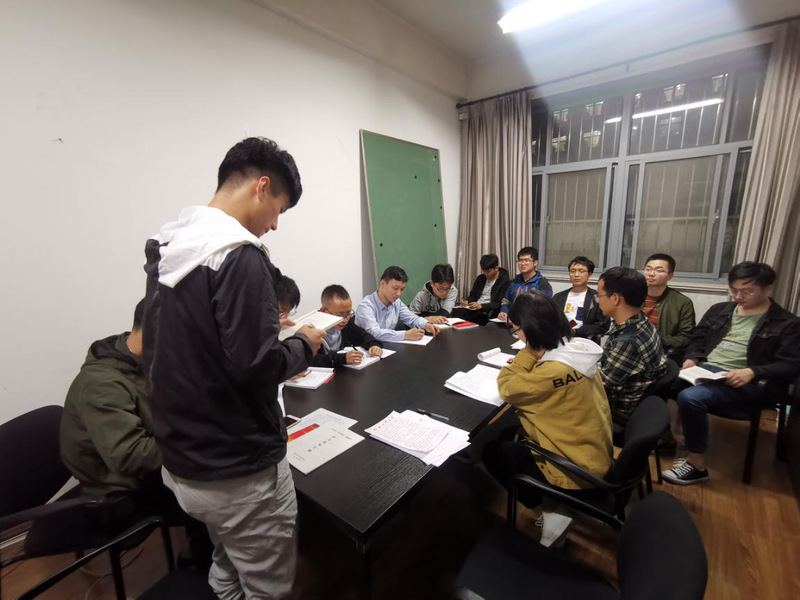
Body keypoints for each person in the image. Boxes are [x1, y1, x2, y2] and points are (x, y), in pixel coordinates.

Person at [141, 137, 327, 599]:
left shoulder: (172, 245)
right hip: (238, 472)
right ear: (261, 187)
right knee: (267, 586)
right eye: (279, 210)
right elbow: (255, 366)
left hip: (184, 462)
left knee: (226, 557)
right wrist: (303, 344)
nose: (275, 225)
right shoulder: (239, 255)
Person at [60, 300, 211, 568]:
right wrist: (198, 435)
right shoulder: (102, 385)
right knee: (217, 492)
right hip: (118, 495)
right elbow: (131, 457)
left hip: (144, 470)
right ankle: (199, 566)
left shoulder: (139, 357)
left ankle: (205, 552)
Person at [483, 291, 612, 547]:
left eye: (517, 330)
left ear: (530, 329)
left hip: (576, 468)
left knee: (491, 451)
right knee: (508, 433)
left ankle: (550, 515)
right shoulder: (575, 351)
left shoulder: (553, 369)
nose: (518, 336)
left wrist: (528, 353)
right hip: (593, 449)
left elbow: (507, 387)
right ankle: (554, 504)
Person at [662, 262, 800, 485]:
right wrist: (692, 358)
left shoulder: (787, 323)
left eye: (747, 291)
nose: (738, 296)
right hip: (706, 371)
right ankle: (665, 437)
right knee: (658, 381)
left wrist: (753, 371)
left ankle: (696, 464)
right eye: (734, 290)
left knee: (691, 398)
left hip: (745, 382)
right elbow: (698, 338)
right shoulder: (720, 310)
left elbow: (791, 365)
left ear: (768, 288)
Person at [595, 266, 667, 418]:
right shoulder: (641, 322)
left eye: (599, 295)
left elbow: (599, 391)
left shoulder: (628, 341)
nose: (597, 301)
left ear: (615, 298)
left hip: (613, 413)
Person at [355, 266, 442, 342]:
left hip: (388, 348)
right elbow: (375, 333)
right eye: (395, 288)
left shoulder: (396, 302)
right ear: (383, 284)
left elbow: (412, 318)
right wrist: (405, 335)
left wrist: (426, 325)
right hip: (366, 351)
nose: (399, 294)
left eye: (402, 289)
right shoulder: (366, 306)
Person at [311, 284, 383, 368]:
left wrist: (373, 345)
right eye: (339, 315)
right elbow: (310, 359)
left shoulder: (347, 324)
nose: (345, 320)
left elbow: (363, 335)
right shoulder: (312, 330)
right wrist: (342, 358)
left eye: (348, 313)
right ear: (323, 311)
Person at [642, 253, 696, 363]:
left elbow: (686, 336)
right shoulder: (632, 295)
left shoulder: (682, 302)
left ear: (670, 276)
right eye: (648, 269)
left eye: (659, 270)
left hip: (662, 353)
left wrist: (656, 340)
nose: (651, 274)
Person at [552, 256, 609, 344]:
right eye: (572, 271)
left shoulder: (597, 297)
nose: (576, 275)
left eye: (581, 271)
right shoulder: (558, 297)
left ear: (589, 274)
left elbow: (603, 325)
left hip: (585, 342)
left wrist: (576, 332)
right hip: (559, 341)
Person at [452, 253, 510, 325]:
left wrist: (482, 306)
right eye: (483, 270)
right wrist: (467, 301)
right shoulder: (480, 278)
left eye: (488, 271)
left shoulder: (504, 281)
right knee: (456, 312)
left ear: (496, 268)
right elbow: (473, 295)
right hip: (475, 308)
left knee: (469, 317)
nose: (485, 273)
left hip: (487, 311)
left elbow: (499, 303)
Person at [498, 246, 552, 320]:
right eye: (520, 260)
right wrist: (504, 312)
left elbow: (544, 308)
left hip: (531, 322)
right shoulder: (514, 282)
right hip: (511, 320)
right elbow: (506, 300)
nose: (522, 263)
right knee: (491, 325)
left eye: (526, 260)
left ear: (535, 263)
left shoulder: (542, 283)